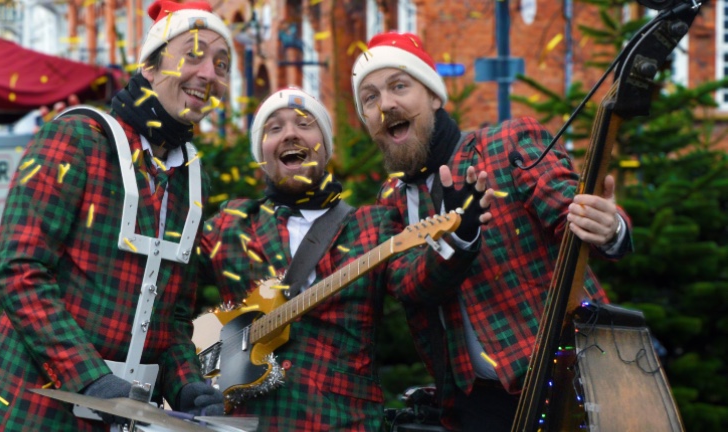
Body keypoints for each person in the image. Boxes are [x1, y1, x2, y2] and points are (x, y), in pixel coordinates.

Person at [351, 31, 634, 431]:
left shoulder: (504, 144)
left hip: (572, 379)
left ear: (433, 96)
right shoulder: (391, 199)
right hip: (478, 404)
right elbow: (412, 287)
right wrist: (459, 240)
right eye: (370, 98)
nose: (387, 104)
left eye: (399, 86)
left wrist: (608, 226)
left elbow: (568, 214)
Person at [0, 1, 234, 429]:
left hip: (123, 419)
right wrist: (89, 377)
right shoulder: (77, 137)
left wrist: (185, 384)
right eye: (193, 54)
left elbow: (171, 316)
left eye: (221, 64)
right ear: (150, 67)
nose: (209, 73)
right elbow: (20, 271)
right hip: (32, 414)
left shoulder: (193, 179)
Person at [197, 87, 494, 431]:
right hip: (251, 422)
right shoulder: (231, 224)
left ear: (325, 148)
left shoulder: (373, 224)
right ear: (261, 153)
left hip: (343, 421)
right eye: (273, 128)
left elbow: (417, 285)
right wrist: (193, 373)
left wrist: (460, 236)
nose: (290, 133)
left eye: (305, 124)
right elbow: (166, 289)